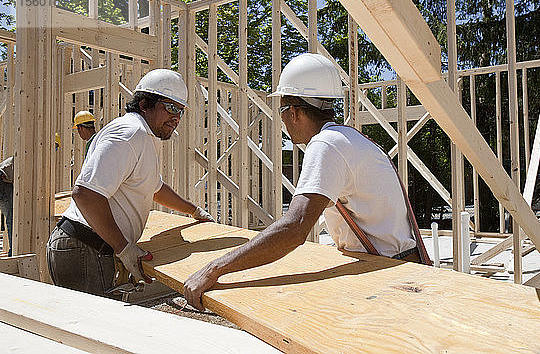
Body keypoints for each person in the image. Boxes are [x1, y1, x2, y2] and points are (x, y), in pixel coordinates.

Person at [184, 53, 425, 310]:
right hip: (396, 266)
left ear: (295, 112)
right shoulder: (350, 138)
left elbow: (295, 227)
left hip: (388, 277)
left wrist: (214, 269)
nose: (284, 120)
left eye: (283, 111)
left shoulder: (326, 144)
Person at [47, 69, 215, 297]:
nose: (176, 118)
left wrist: (193, 210)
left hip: (91, 248)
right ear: (145, 104)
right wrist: (124, 248)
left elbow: (155, 188)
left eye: (181, 111)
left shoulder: (143, 136)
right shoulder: (129, 133)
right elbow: (85, 194)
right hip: (85, 247)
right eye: (171, 108)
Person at [0, 156, 13, 256]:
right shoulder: (17, 161)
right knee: (11, 219)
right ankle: (12, 251)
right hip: (3, 188)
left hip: (4, 187)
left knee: (10, 218)